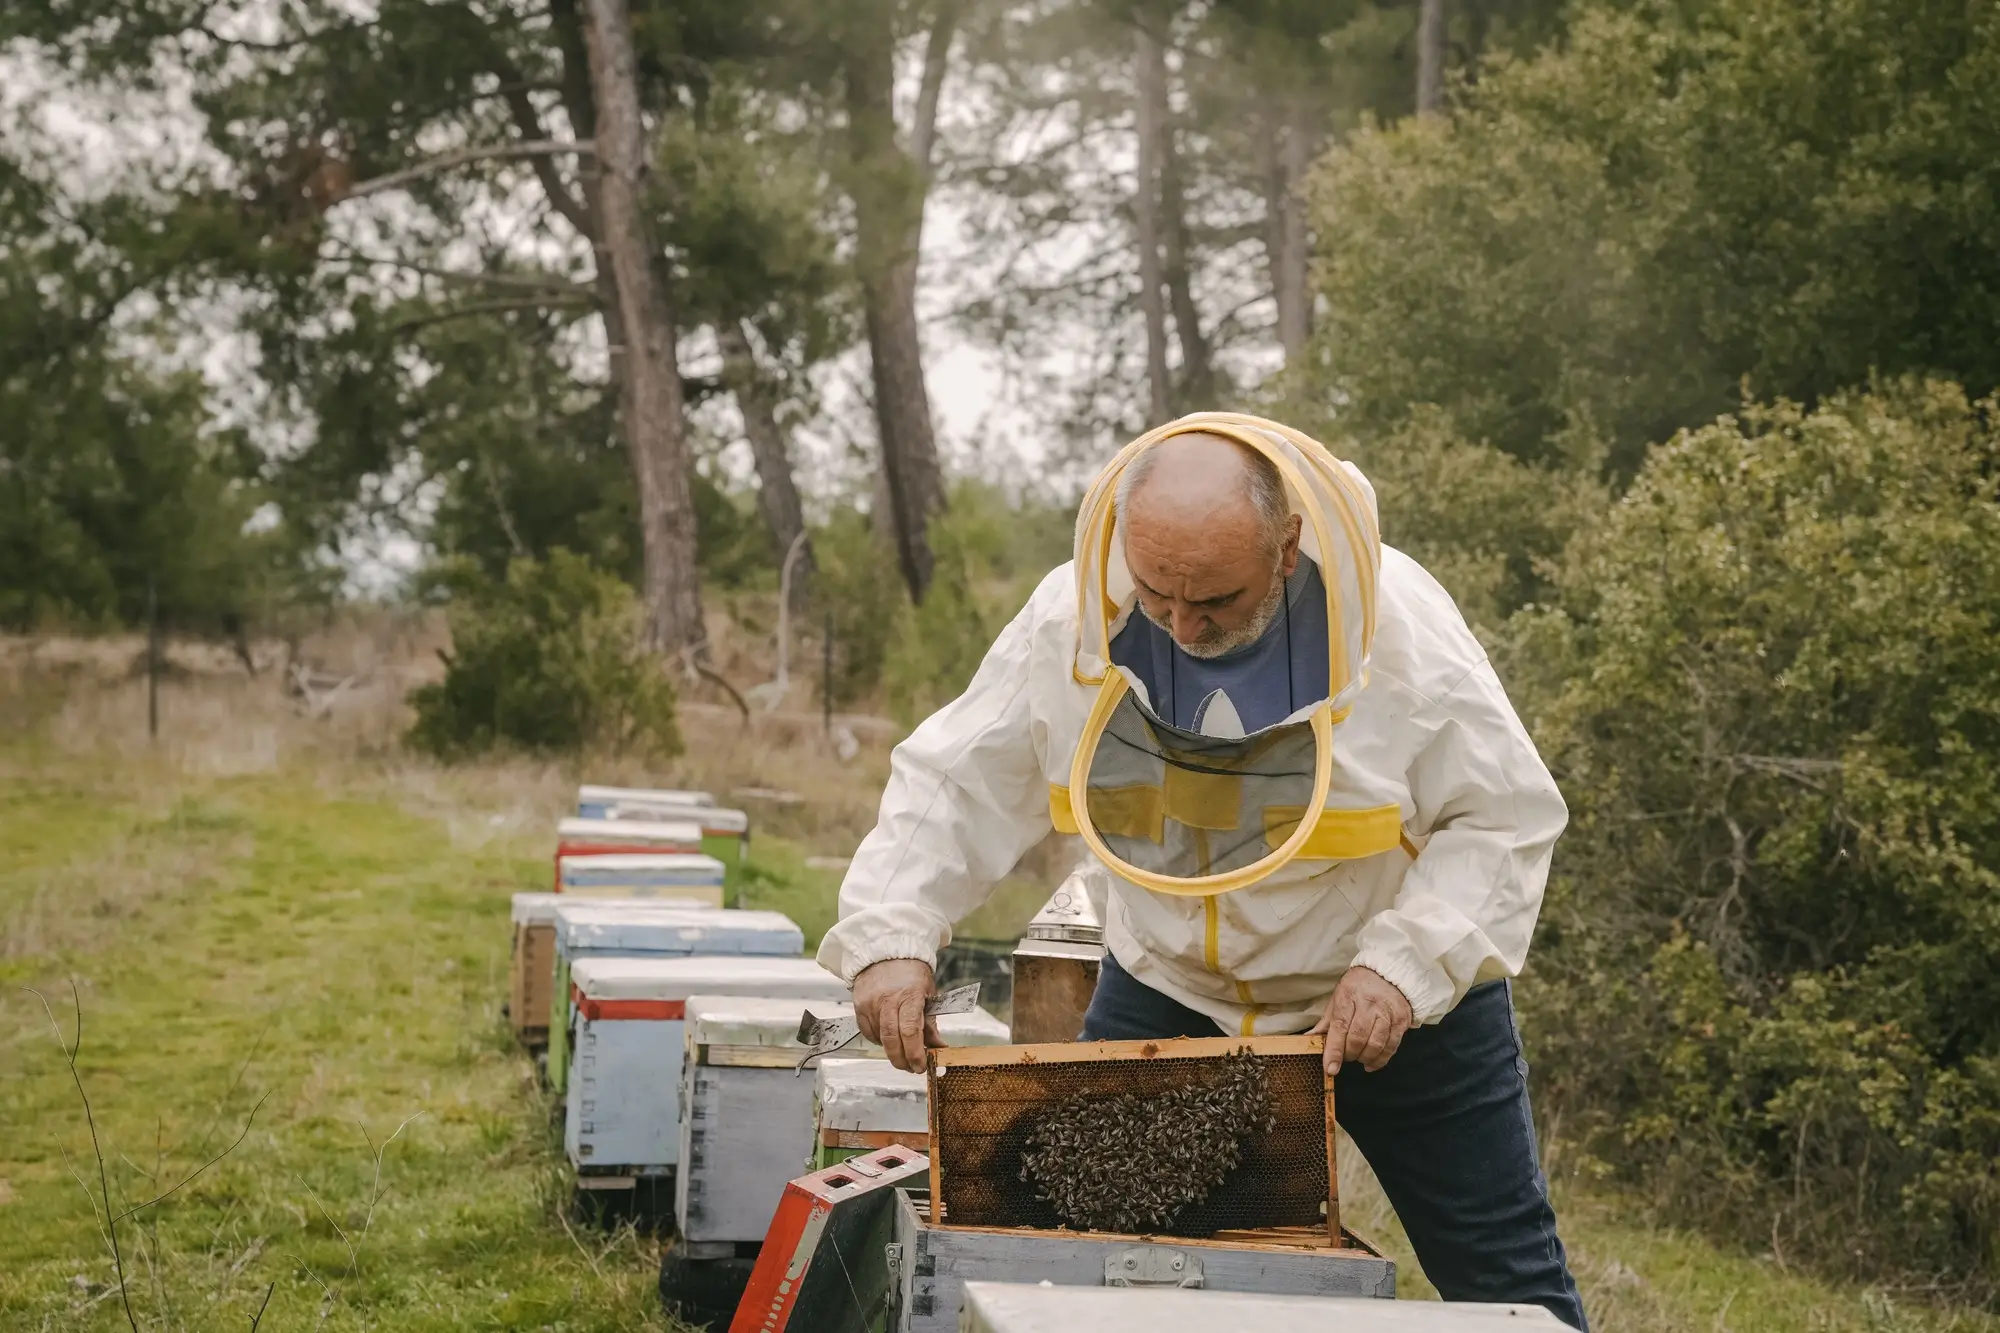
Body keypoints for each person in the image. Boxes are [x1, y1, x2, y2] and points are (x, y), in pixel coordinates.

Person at [817, 413, 1587, 1329]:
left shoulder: (1403, 635)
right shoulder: (1069, 621)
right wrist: (893, 933)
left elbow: (1504, 816)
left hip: (1393, 1003)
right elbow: (958, 779)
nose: (1182, 625)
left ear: (1289, 543)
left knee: (1503, 1270)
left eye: (1216, 600)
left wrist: (1406, 966)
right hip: (1170, 989)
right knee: (1095, 1269)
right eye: (1157, 594)